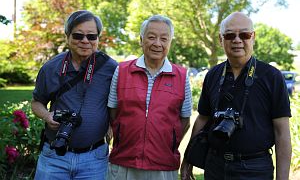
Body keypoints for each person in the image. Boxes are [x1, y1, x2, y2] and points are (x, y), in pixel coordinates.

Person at [181, 12, 292, 180]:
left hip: (255, 169)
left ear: (253, 37)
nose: (237, 40)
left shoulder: (272, 76)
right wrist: (189, 159)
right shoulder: (213, 74)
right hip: (215, 166)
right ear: (221, 39)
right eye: (230, 35)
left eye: (244, 34)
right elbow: (202, 119)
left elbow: (282, 131)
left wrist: (282, 178)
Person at [31, 10, 118, 180]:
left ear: (98, 38)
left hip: (95, 158)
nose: (85, 41)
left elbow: (120, 103)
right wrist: (47, 116)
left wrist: (111, 124)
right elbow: (36, 103)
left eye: (91, 36)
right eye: (78, 35)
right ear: (67, 36)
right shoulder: (51, 68)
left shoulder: (111, 68)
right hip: (54, 156)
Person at [107, 15, 192, 180]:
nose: (157, 43)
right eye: (151, 37)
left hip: (163, 166)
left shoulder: (181, 76)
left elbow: (185, 121)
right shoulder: (122, 71)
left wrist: (167, 144)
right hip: (123, 162)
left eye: (164, 39)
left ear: (170, 43)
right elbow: (113, 112)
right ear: (141, 40)